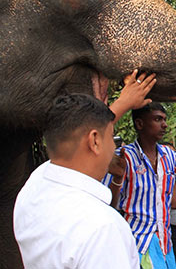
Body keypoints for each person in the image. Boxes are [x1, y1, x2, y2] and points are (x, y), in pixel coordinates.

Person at [14, 94, 139, 268]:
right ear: (95, 141)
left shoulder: (32, 189)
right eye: (111, 137)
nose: (113, 147)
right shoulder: (103, 228)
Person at [106, 102, 176, 269]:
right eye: (158, 119)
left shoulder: (169, 156)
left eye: (164, 119)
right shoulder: (123, 158)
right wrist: (118, 178)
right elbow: (109, 206)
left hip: (165, 243)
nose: (164, 124)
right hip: (137, 244)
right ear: (140, 124)